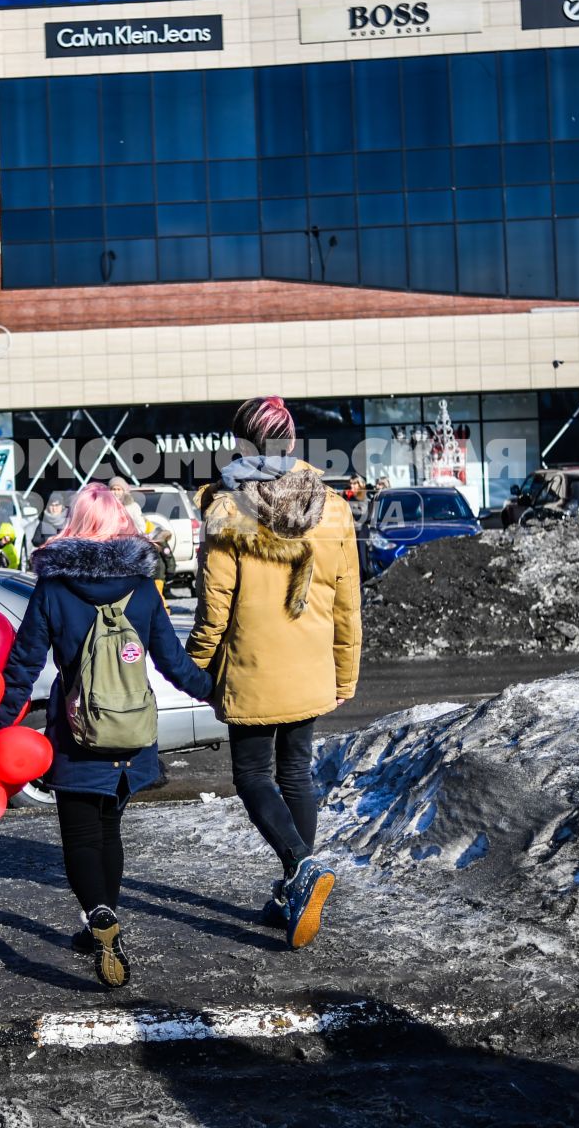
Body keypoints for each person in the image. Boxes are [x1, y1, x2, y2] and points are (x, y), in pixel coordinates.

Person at [0, 484, 213, 989]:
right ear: (121, 525)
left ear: (75, 524)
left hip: (76, 735)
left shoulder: (53, 588)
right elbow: (173, 663)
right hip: (131, 735)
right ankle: (101, 924)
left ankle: (98, 916)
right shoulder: (142, 586)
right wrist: (216, 692)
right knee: (108, 832)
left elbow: (22, 666)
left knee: (80, 838)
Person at [188, 396, 360, 951]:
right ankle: (294, 892)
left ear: (241, 443)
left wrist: (193, 666)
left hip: (253, 666)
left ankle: (300, 868)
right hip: (310, 667)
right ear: (292, 442)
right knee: (296, 777)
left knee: (252, 777)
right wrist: (345, 673)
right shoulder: (331, 506)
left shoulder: (228, 508)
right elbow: (347, 603)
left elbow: (215, 604)